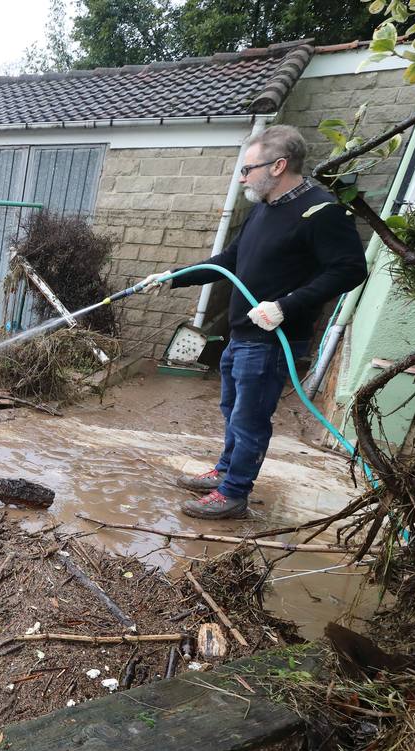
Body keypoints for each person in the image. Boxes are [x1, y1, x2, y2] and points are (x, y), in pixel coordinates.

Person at [137, 125, 368, 520]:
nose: (242, 177)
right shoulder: (264, 208)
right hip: (242, 334)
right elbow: (229, 260)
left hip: (274, 339)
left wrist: (286, 305)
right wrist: (174, 277)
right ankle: (227, 471)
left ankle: (233, 493)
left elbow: (350, 269)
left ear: (278, 166)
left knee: (250, 419)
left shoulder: (321, 211)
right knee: (232, 409)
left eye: (248, 169)